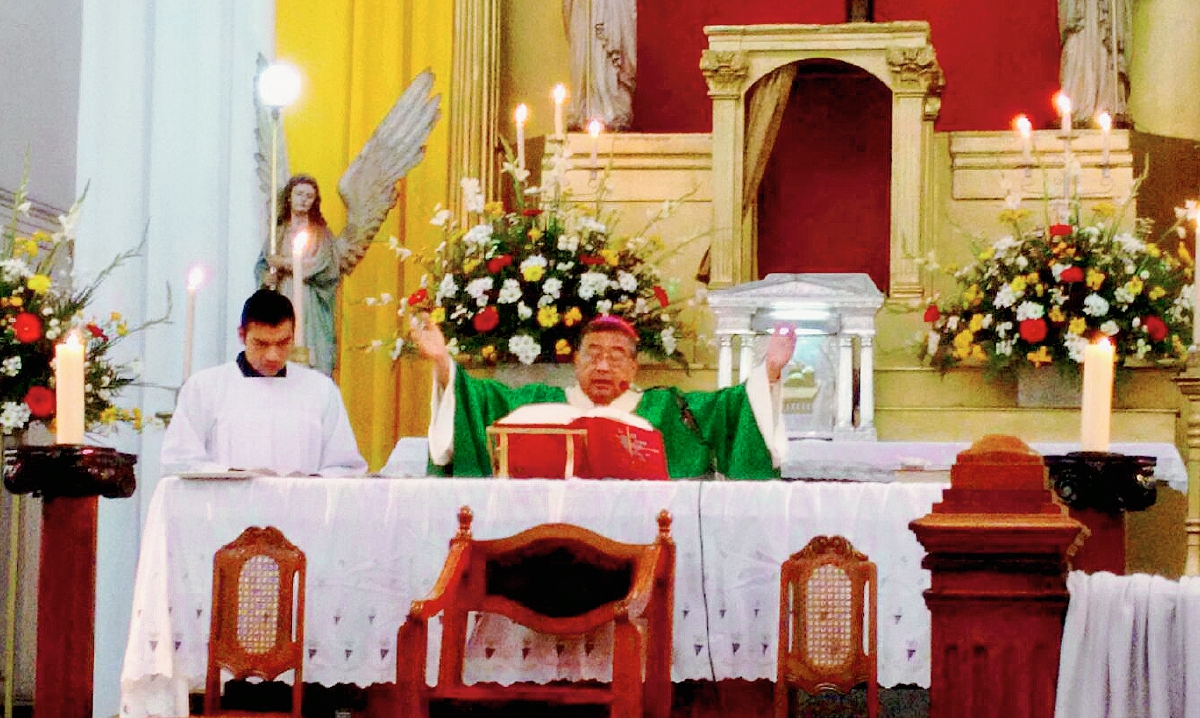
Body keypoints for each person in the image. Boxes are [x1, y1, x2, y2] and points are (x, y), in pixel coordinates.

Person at [408, 314, 796, 479]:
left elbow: (731, 410)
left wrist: (770, 371)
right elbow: (475, 399)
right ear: (576, 361)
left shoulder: (667, 408)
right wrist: (442, 361)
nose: (603, 366)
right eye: (593, 354)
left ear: (634, 367)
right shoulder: (539, 402)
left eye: (616, 356)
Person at [160, 288, 367, 477]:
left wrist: (308, 482)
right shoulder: (205, 387)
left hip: (300, 503)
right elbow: (179, 460)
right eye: (261, 343)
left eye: (283, 343)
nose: (272, 355)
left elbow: (345, 466)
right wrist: (236, 475)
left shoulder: (320, 389)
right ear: (242, 335)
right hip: (228, 503)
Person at [256, 174, 346, 376]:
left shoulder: (321, 233)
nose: (304, 199)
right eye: (299, 194)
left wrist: (285, 263)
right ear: (289, 197)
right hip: (282, 294)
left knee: (311, 346)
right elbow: (263, 264)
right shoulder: (278, 232)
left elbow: (323, 265)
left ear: (314, 201)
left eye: (309, 196)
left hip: (309, 299)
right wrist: (266, 277)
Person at [563, 0, 639, 131]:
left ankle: (613, 110)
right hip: (586, 1)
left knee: (610, 58)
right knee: (585, 52)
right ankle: (584, 109)